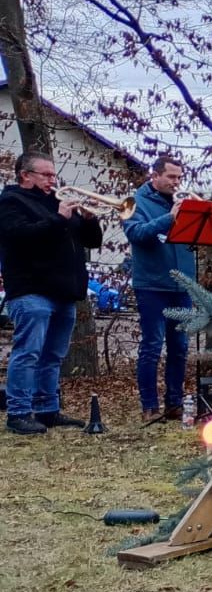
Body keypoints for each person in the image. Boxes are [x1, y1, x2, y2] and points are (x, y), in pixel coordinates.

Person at [0, 152, 103, 434]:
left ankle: (47, 410)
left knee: (54, 356)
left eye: (53, 174)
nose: (52, 180)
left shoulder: (58, 202)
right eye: (45, 174)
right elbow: (21, 236)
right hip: (31, 290)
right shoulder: (11, 202)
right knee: (28, 353)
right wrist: (59, 219)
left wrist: (89, 220)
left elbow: (92, 241)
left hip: (64, 292)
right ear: (25, 175)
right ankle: (19, 413)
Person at [123, 155, 196, 421]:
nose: (177, 182)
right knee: (152, 345)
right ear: (154, 176)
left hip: (182, 284)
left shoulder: (182, 201)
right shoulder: (133, 202)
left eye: (179, 177)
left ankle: (174, 403)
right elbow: (136, 234)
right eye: (171, 177)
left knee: (180, 346)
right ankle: (149, 407)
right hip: (152, 284)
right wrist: (169, 218)